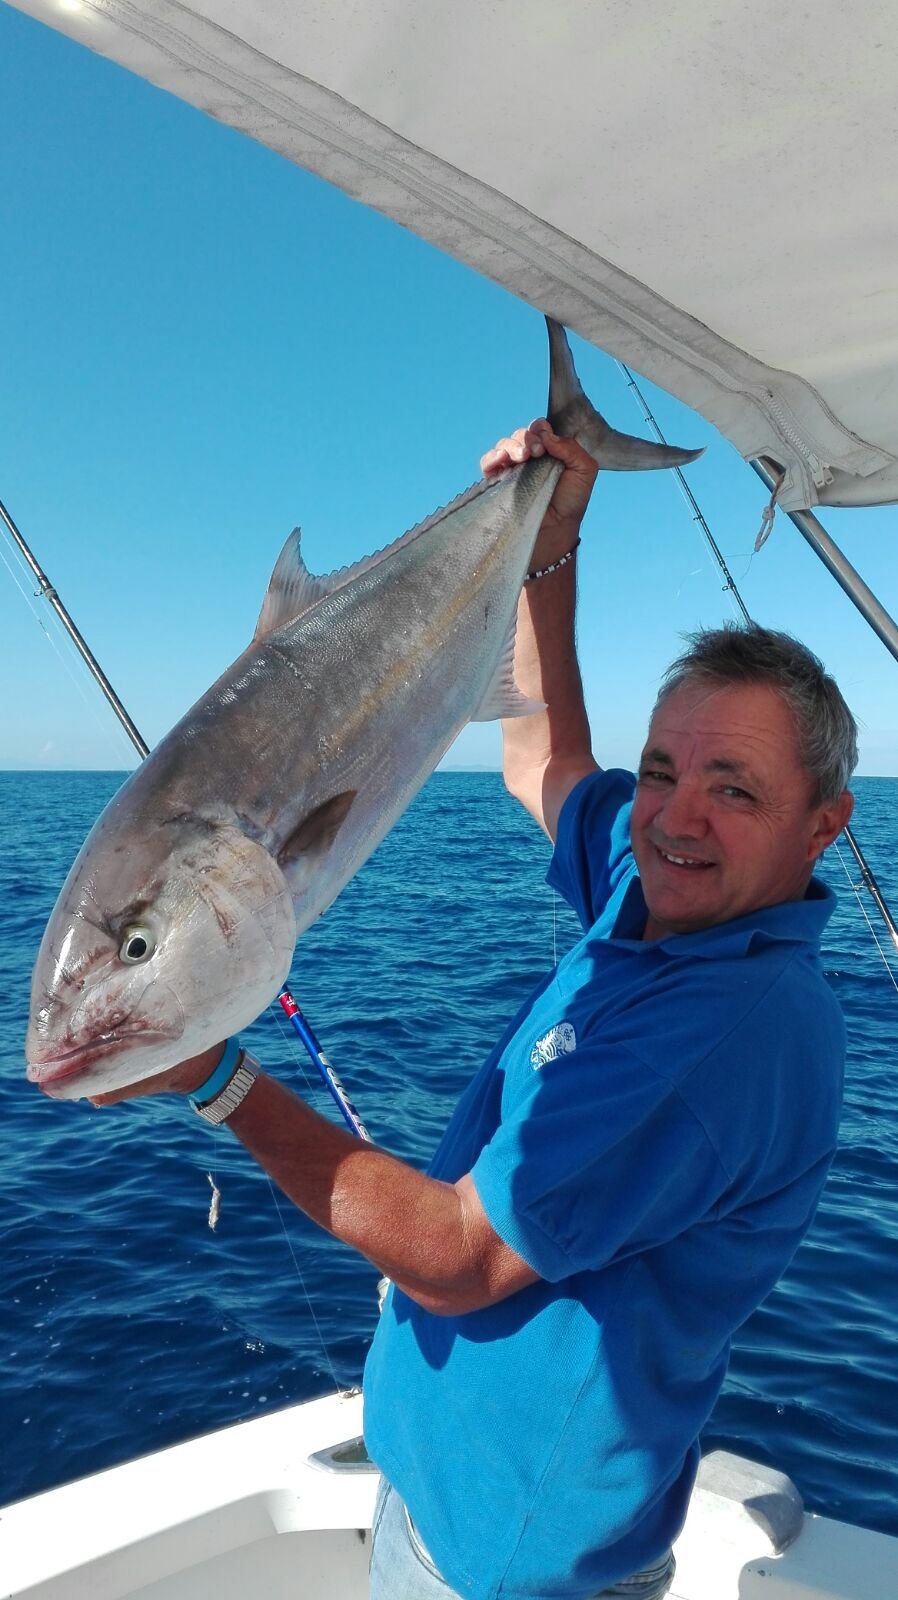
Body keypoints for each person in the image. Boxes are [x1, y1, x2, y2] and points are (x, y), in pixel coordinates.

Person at [92, 420, 857, 1600]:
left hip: (512, 1568)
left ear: (825, 824)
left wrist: (214, 1080)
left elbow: (453, 1255)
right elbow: (539, 759)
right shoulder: (656, 896)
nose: (673, 815)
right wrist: (553, 537)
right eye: (663, 769)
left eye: (734, 788)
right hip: (442, 1494)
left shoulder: (730, 1030)